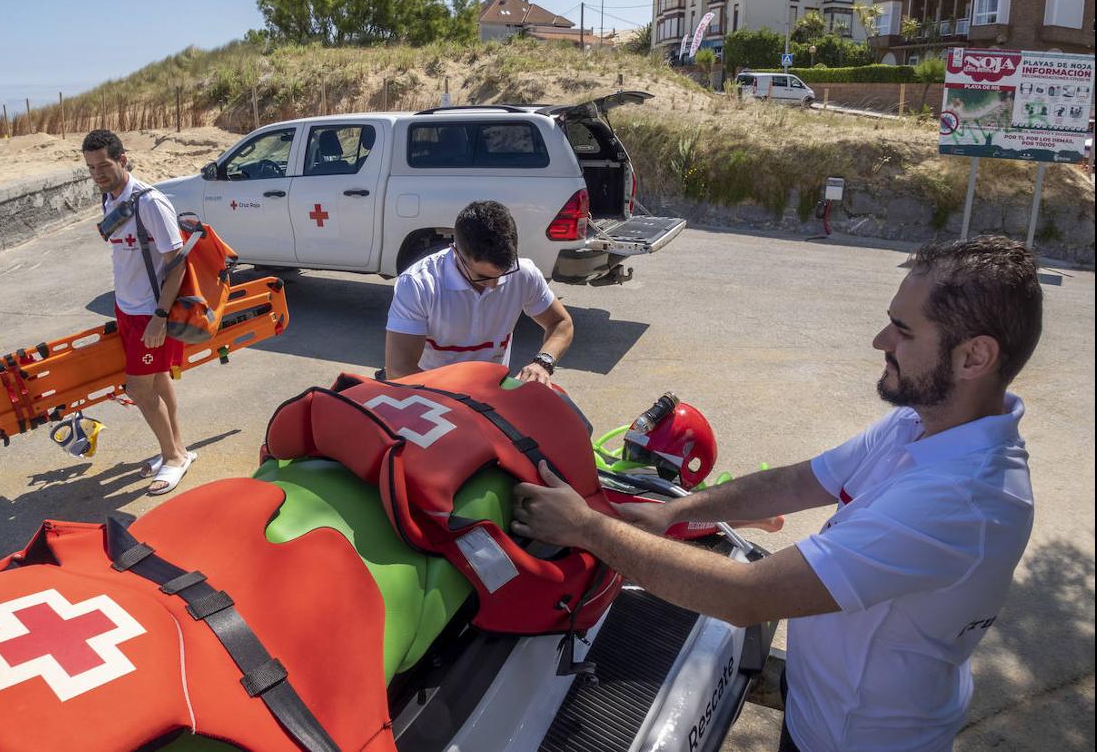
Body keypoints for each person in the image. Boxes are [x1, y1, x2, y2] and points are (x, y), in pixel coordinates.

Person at [512, 235, 1043, 752]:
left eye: (903, 331)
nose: (881, 341)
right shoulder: (922, 423)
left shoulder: (962, 502)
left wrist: (587, 528)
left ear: (974, 357)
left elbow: (744, 597)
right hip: (823, 705)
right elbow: (797, 482)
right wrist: (673, 511)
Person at [82, 129, 195, 495]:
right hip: (127, 308)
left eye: (104, 165)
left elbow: (176, 263)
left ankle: (173, 458)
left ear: (122, 160)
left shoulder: (150, 203)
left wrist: (160, 317)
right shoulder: (109, 199)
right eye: (91, 168)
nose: (98, 173)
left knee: (138, 388)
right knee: (158, 380)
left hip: (151, 312)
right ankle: (177, 449)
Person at [385, 200, 574, 385]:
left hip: (491, 391)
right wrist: (466, 399)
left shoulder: (524, 274)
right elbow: (399, 371)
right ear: (456, 252)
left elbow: (560, 323)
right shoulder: (418, 284)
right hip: (432, 394)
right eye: (481, 276)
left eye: (504, 273)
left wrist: (543, 363)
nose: (493, 285)